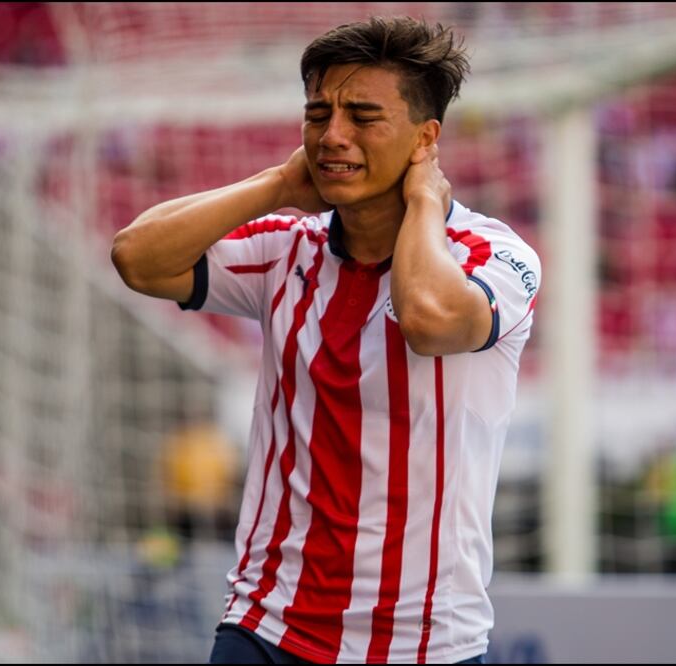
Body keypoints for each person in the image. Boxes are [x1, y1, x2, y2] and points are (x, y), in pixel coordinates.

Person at [112, 16, 541, 665]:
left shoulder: (494, 255)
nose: (332, 135)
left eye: (362, 116)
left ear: (426, 138)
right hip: (267, 625)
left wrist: (424, 205)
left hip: (421, 643)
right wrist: (279, 185)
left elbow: (427, 322)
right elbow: (136, 258)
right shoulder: (288, 249)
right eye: (318, 114)